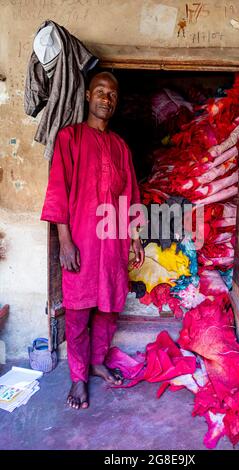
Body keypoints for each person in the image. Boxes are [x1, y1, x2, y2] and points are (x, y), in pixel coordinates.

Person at [41, 71, 145, 409]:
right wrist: (65, 242)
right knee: (77, 311)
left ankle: (98, 362)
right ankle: (77, 377)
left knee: (108, 308)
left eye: (112, 94)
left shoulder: (120, 146)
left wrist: (134, 238)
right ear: (88, 96)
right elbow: (58, 190)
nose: (106, 98)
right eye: (100, 92)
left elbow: (130, 193)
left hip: (113, 241)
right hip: (82, 240)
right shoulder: (69, 138)